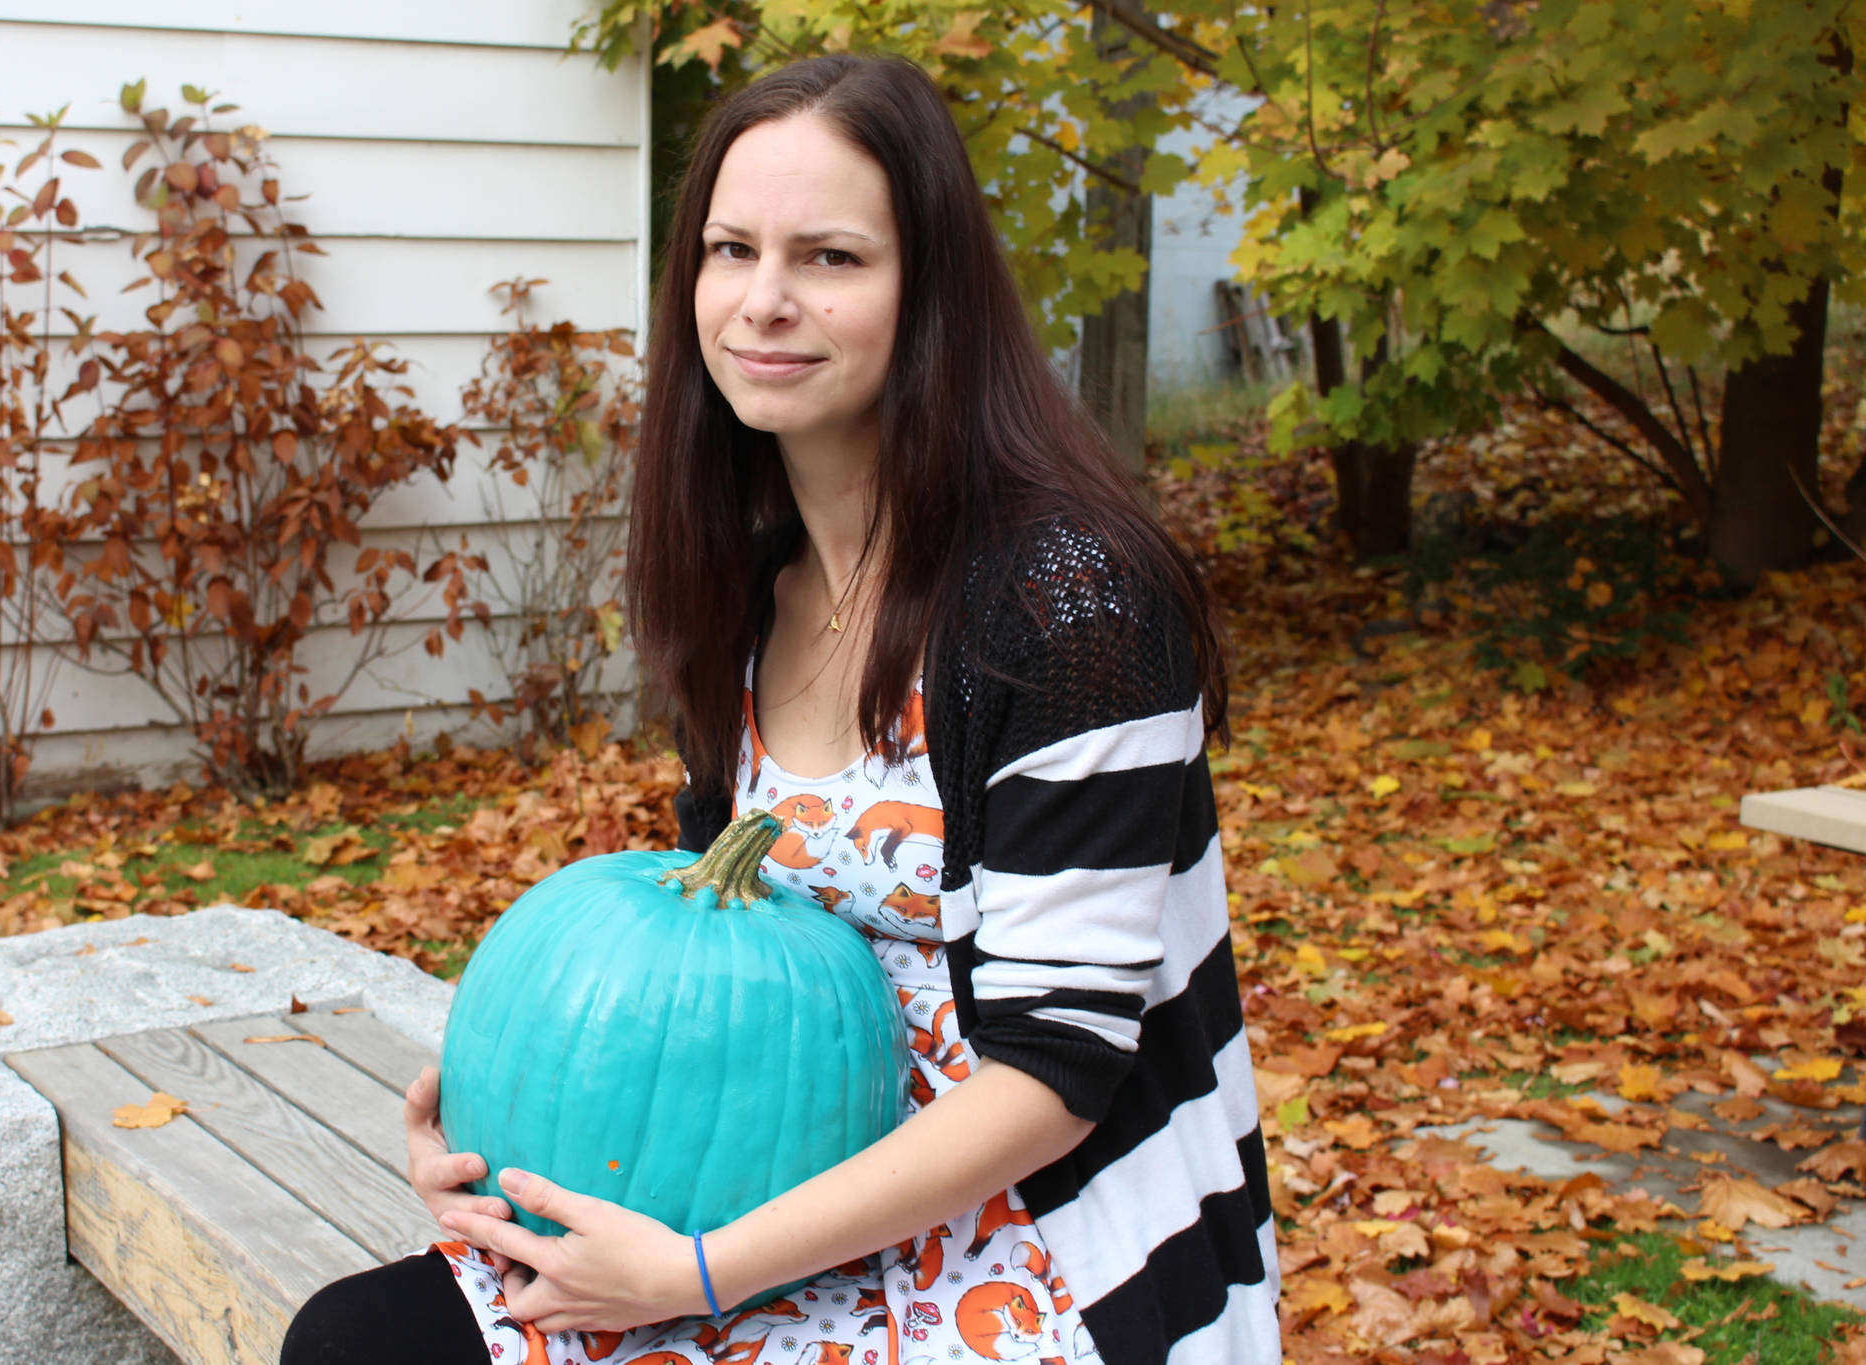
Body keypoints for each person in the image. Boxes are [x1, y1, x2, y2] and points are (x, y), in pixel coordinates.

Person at [282, 53, 1279, 1365]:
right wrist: (502, 1137)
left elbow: (1054, 1075)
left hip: (1038, 1246)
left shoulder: (1068, 604)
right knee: (357, 1341)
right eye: (730, 249)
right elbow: (723, 971)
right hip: (780, 1178)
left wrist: (689, 1270)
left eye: (831, 259)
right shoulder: (751, 593)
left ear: (930, 293)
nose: (764, 301)